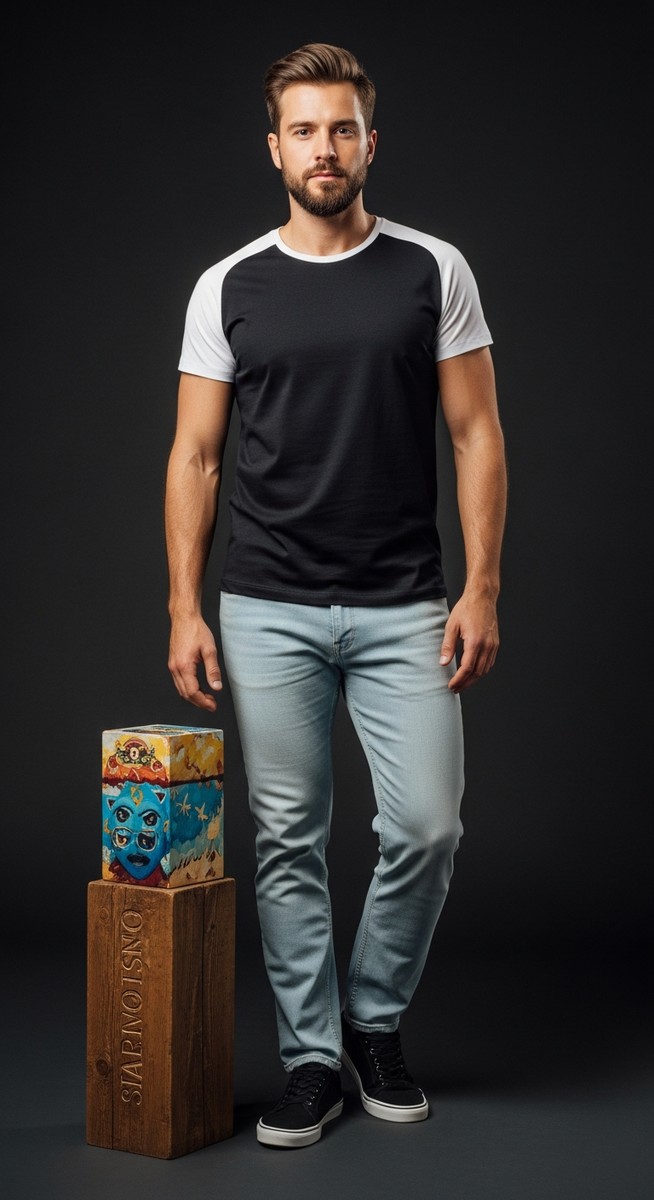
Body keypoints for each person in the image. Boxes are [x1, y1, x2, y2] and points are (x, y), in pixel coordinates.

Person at [164, 41, 507, 1149]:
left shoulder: (433, 270)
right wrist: (182, 608)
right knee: (288, 838)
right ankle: (311, 1058)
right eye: (305, 130)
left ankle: (373, 1021)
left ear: (370, 142)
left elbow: (476, 433)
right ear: (275, 149)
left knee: (427, 827)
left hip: (407, 603)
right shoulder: (228, 285)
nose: (325, 148)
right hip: (268, 605)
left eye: (343, 128)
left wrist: (482, 586)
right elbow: (196, 456)